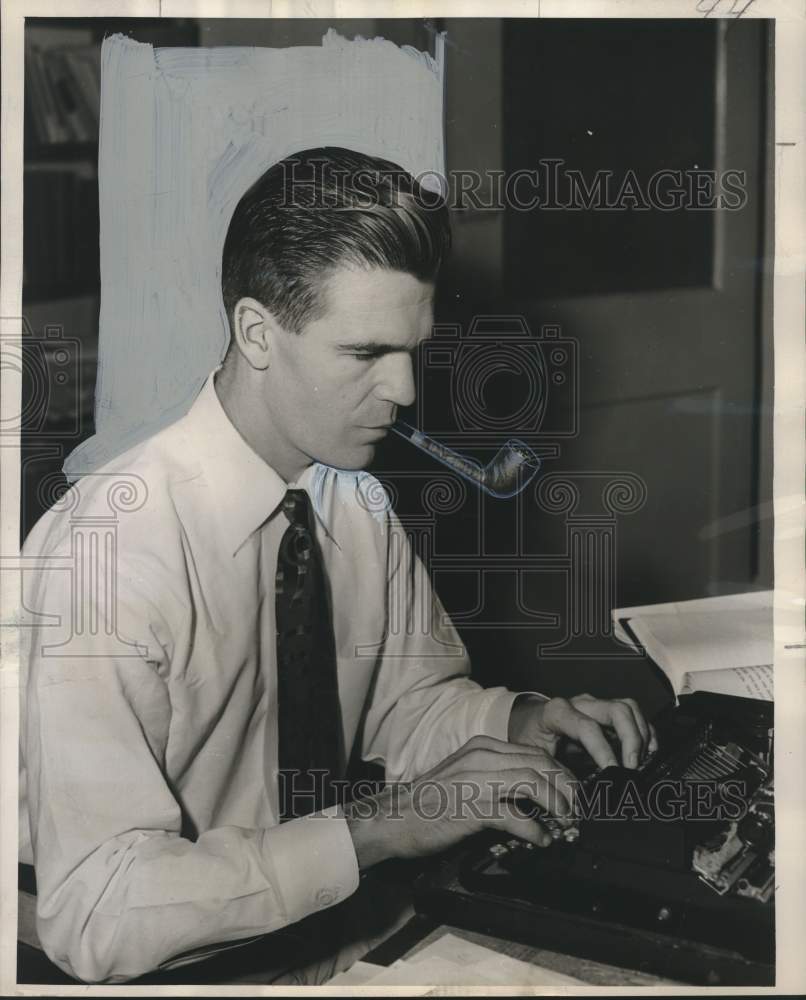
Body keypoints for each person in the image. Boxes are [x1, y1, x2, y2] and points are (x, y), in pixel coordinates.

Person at [19, 147, 655, 984]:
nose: (403, 392)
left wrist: (517, 725)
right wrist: (381, 826)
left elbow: (407, 707)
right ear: (256, 332)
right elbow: (97, 912)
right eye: (364, 354)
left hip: (340, 934)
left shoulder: (351, 497)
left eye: (411, 349)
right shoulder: (105, 559)